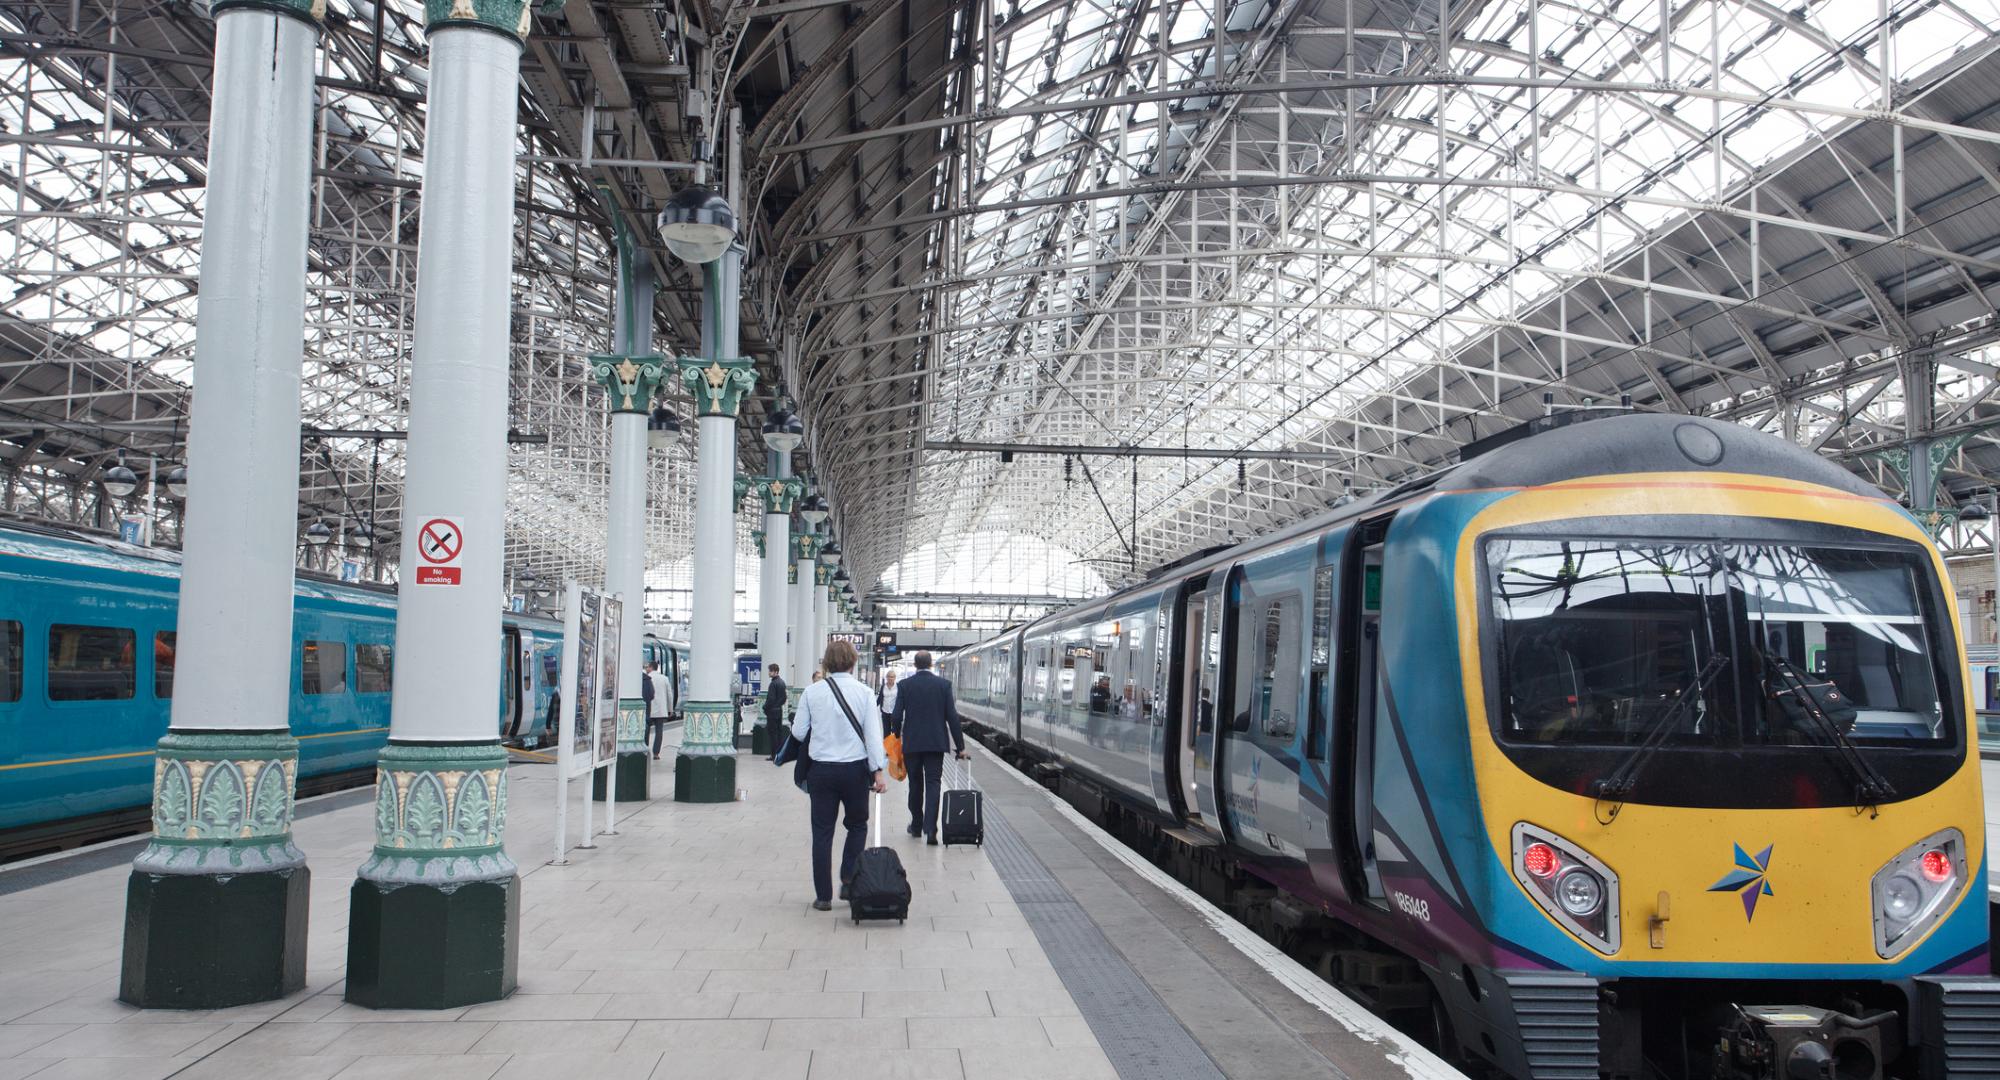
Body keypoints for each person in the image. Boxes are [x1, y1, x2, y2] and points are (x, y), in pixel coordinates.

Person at [789, 640, 887, 911]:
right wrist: (878, 772)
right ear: (854, 662)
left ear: (827, 664)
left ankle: (823, 897)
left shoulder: (812, 692)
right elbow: (873, 737)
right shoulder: (865, 693)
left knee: (822, 833)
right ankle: (847, 877)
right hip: (855, 771)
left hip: (821, 771)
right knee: (857, 826)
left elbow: (798, 733)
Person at [888, 651, 967, 845]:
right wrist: (961, 747)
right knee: (934, 784)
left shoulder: (905, 685)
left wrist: (896, 736)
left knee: (915, 784)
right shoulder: (943, 686)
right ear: (931, 664)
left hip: (912, 744)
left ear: (915, 665)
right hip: (935, 743)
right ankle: (931, 829)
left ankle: (916, 825)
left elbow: (896, 715)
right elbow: (952, 718)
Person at [647, 661, 674, 759]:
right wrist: (670, 709)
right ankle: (656, 753)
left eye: (647, 667)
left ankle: (645, 751)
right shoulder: (664, 679)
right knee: (659, 732)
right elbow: (669, 695)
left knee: (646, 730)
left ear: (650, 667)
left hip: (648, 709)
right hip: (661, 710)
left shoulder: (646, 678)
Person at [762, 662, 787, 744]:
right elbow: (784, 698)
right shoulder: (782, 682)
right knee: (779, 733)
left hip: (772, 712)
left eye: (771, 671)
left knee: (772, 734)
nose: (769, 672)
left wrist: (765, 707)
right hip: (779, 711)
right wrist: (778, 705)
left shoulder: (773, 684)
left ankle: (773, 755)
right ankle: (779, 754)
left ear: (776, 672)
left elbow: (771, 699)